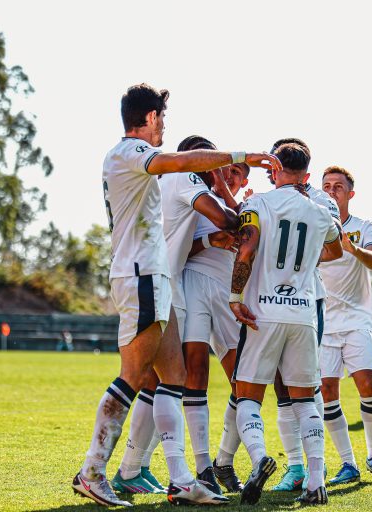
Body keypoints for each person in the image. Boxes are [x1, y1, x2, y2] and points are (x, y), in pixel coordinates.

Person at [72, 83, 280, 507]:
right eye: (161, 117)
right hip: (141, 275)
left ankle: (182, 479)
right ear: (149, 118)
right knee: (133, 375)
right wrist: (239, 158)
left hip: (156, 276)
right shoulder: (131, 152)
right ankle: (93, 471)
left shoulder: (138, 162)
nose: (164, 125)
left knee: (174, 378)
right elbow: (183, 161)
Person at [111, 135, 239, 496]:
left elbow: (186, 236)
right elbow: (228, 220)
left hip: (154, 278)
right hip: (164, 283)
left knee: (154, 380)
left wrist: (210, 241)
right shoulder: (187, 179)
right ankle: (176, 477)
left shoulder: (161, 181)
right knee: (158, 379)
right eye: (211, 164)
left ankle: (133, 468)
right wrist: (220, 188)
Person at [230, 143, 343, 506]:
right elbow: (335, 249)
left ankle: (261, 456)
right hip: (304, 314)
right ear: (307, 176)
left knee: (247, 394)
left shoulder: (258, 203)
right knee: (306, 400)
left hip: (263, 312)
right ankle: (315, 480)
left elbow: (245, 250)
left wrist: (235, 297)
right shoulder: (321, 213)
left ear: (274, 168)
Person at [318, 166, 372, 484]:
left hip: (356, 320)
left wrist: (353, 248)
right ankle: (347, 463)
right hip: (323, 320)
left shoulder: (364, 227)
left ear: (350, 194)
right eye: (326, 186)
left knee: (367, 385)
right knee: (327, 392)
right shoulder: (313, 227)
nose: (331, 191)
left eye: (338, 186)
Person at [180, 162, 250, 494]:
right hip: (193, 284)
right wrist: (212, 239)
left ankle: (224, 460)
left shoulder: (248, 208)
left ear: (245, 180)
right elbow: (178, 248)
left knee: (243, 383)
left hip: (229, 295)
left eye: (236, 172)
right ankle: (202, 466)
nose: (229, 176)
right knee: (196, 373)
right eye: (224, 170)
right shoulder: (197, 200)